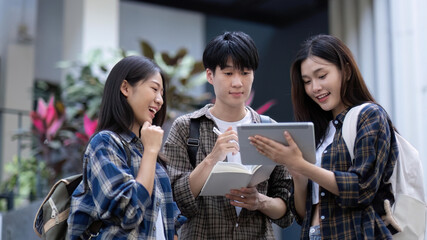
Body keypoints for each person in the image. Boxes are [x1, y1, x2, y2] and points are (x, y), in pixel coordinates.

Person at [249, 34, 398, 239]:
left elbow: (361, 189)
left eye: (322, 76)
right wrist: (298, 174)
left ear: (345, 71)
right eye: (307, 81)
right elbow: (302, 214)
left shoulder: (369, 115)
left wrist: (301, 165)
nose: (314, 88)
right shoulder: (318, 132)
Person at [162, 31, 293, 239]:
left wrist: (260, 201)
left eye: (245, 73)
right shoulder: (186, 127)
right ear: (210, 75)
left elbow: (287, 211)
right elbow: (172, 201)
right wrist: (212, 159)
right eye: (229, 73)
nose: (238, 82)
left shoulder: (269, 128)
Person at [67, 55, 184, 239]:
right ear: (125, 87)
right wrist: (151, 151)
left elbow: (172, 222)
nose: (160, 100)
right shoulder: (105, 143)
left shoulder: (148, 153)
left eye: (162, 93)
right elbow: (130, 212)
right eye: (154, 89)